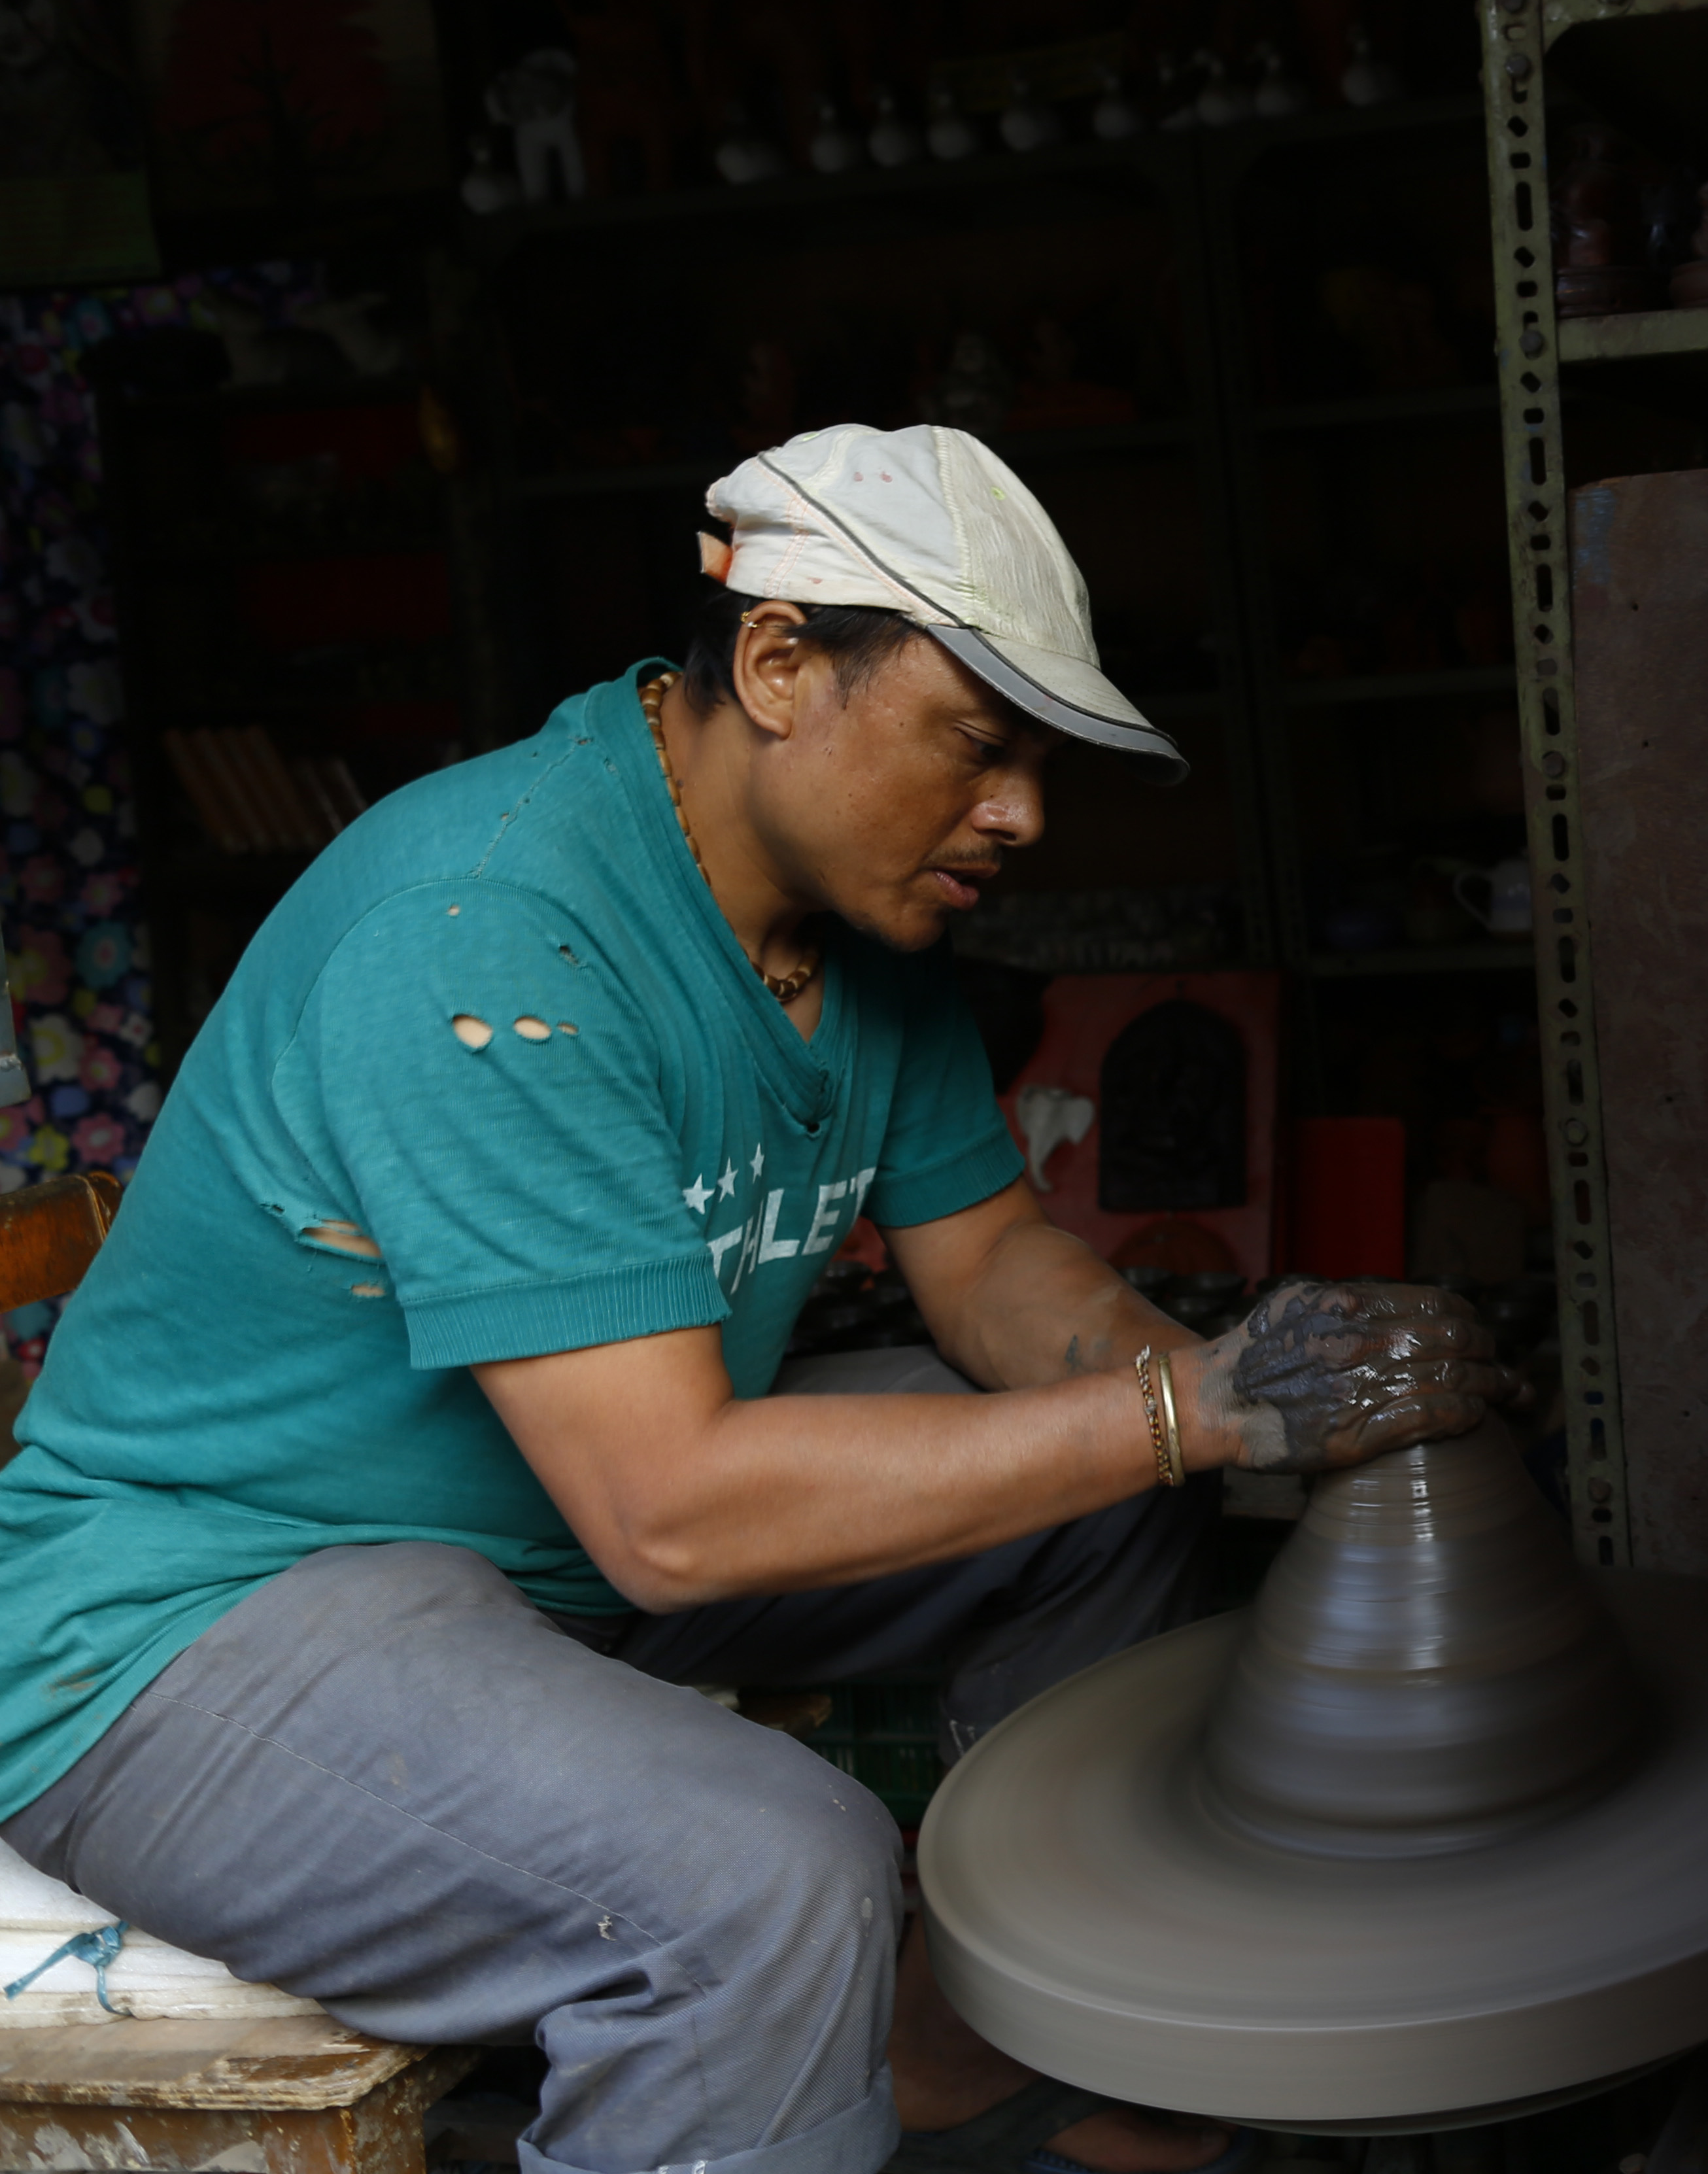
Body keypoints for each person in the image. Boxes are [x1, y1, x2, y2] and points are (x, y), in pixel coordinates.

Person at [0, 423, 1516, 2174]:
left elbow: (994, 1265)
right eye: (978, 744)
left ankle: (996, 2042)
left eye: (1036, 764)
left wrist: (1247, 1385)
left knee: (1112, 1511)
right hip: (191, 1633)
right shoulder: (492, 931)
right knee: (767, 1874)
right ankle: (806, 2036)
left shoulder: (859, 936)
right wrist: (1197, 1410)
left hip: (531, 1562)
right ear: (782, 664)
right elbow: (668, 1514)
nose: (1021, 814)